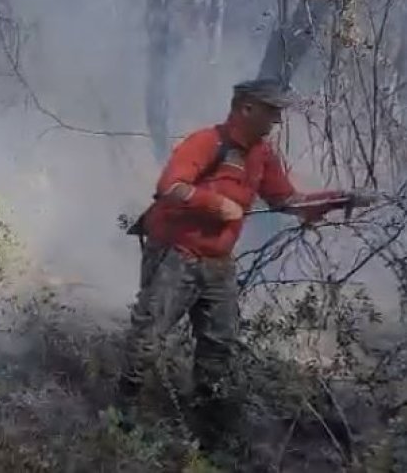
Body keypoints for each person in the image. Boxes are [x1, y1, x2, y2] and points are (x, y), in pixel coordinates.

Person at [119, 78, 369, 449]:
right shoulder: (207, 142)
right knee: (149, 336)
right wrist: (216, 204)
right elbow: (171, 186)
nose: (277, 121)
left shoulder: (262, 155)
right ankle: (121, 417)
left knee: (219, 347)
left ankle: (207, 433)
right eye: (271, 111)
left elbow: (286, 200)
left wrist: (336, 200)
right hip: (176, 255)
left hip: (218, 264)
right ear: (246, 108)